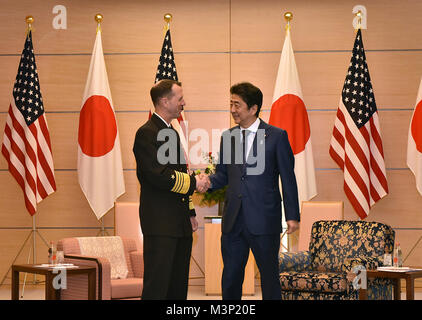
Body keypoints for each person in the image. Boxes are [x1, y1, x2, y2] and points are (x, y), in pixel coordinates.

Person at [203, 82, 300, 300]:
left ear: (253, 108)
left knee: (269, 277)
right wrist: (205, 182)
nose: (232, 109)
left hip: (265, 220)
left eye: (237, 104)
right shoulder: (228, 137)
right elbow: (223, 176)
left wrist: (292, 215)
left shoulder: (276, 136)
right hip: (233, 220)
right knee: (230, 277)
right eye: (231, 103)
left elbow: (288, 177)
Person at [133, 79, 208, 299]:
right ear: (165, 101)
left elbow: (179, 174)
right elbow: (160, 176)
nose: (184, 103)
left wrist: (190, 213)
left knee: (177, 286)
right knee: (158, 286)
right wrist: (195, 183)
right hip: (160, 224)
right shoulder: (146, 133)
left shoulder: (171, 133)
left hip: (179, 223)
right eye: (180, 98)